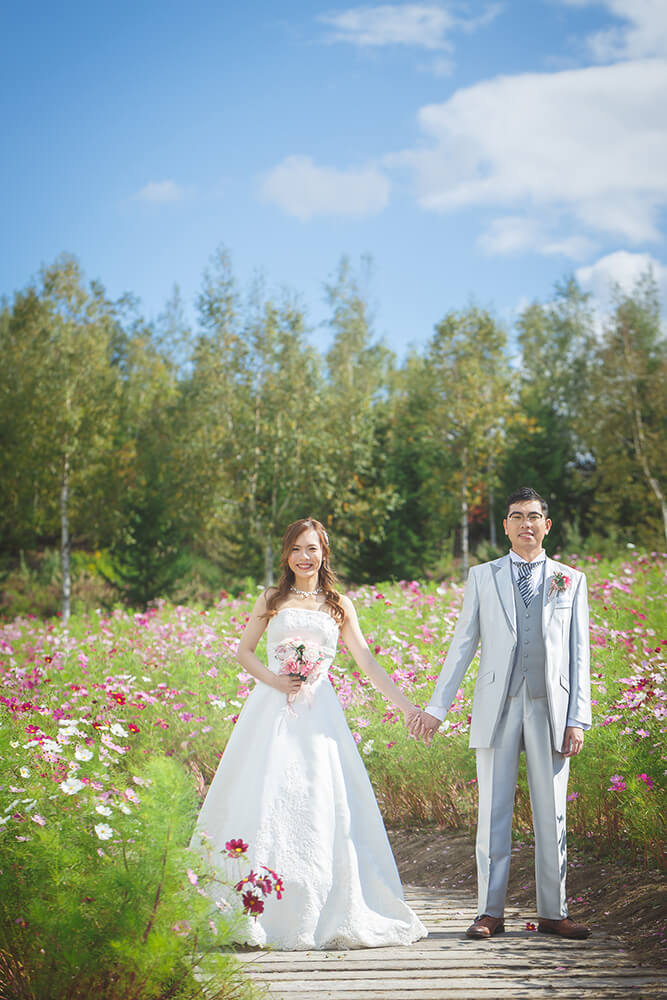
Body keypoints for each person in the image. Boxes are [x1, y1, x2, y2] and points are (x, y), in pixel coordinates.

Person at [190, 517, 427, 950]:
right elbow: (244, 651)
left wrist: (407, 707)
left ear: (324, 553)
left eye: (313, 548)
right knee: (265, 796)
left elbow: (367, 664)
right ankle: (252, 908)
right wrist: (275, 680)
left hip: (319, 714)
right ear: (287, 554)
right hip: (271, 710)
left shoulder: (339, 605)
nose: (305, 556)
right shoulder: (271, 599)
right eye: (297, 548)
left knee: (320, 799)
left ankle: (320, 903)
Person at [411, 487, 592, 940]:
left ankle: (554, 912)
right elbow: (462, 646)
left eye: (534, 516)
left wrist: (577, 718)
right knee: (493, 811)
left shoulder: (570, 578)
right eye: (516, 517)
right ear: (506, 526)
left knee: (552, 814)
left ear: (546, 526)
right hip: (497, 706)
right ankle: (489, 912)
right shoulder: (482, 577)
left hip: (551, 708)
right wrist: (437, 708)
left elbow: (579, 655)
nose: (525, 524)